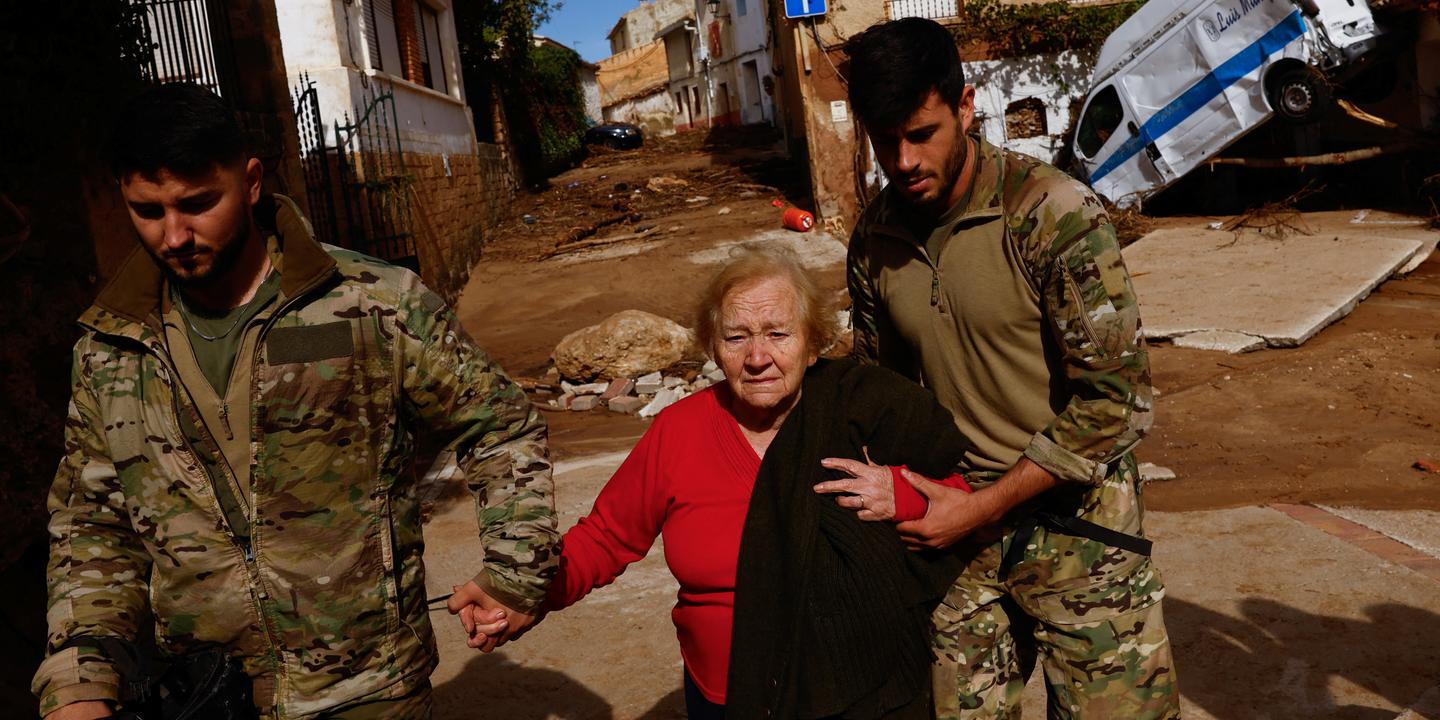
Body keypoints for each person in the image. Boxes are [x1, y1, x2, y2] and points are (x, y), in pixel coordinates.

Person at [32, 83, 557, 720]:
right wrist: (80, 675)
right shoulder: (110, 346)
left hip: (369, 690)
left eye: (198, 204)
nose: (174, 236)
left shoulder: (372, 302)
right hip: (205, 696)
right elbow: (93, 522)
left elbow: (498, 425)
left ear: (251, 182)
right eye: (148, 211)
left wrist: (517, 567)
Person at [460, 248, 974, 720]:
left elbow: (957, 496)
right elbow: (606, 537)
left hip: (859, 686)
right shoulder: (679, 431)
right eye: (736, 336)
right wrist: (521, 592)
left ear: (812, 344)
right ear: (713, 347)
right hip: (726, 696)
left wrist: (900, 496)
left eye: (778, 333)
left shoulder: (863, 410)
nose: (757, 357)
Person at [841, 17, 1180, 719]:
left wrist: (983, 505)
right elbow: (882, 393)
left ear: (965, 107)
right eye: (883, 141)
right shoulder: (875, 240)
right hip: (955, 548)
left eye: (920, 133)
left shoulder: (1051, 215)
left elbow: (1117, 404)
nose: (902, 161)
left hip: (1078, 539)